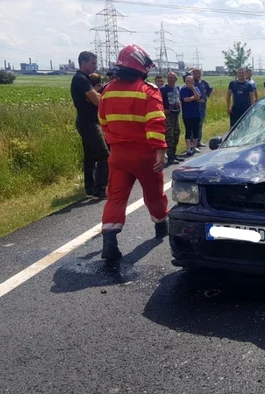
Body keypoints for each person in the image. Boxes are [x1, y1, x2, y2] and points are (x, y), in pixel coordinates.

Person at [97, 44, 168, 261]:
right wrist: (160, 152)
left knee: (116, 198)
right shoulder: (148, 91)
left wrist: (115, 142)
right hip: (144, 154)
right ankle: (160, 225)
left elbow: (103, 122)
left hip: (118, 154)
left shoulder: (108, 90)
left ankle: (109, 241)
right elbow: (155, 123)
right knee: (154, 193)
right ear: (140, 67)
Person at [71, 51, 109, 199]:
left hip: (87, 121)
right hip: (88, 123)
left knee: (90, 156)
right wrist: (101, 97)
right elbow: (98, 100)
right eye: (93, 63)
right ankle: (100, 189)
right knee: (104, 155)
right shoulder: (81, 79)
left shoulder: (85, 78)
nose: (95, 66)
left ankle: (89, 187)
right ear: (83, 63)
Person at [160, 71, 183, 165]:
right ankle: (170, 157)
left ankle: (174, 153)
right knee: (169, 135)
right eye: (169, 77)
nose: (170, 79)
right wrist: (163, 109)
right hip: (168, 115)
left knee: (176, 133)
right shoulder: (163, 89)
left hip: (176, 114)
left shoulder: (177, 88)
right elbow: (158, 101)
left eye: (172, 78)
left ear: (176, 79)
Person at [180, 75, 203, 156]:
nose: (189, 83)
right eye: (187, 81)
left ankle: (194, 147)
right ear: (185, 82)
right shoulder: (183, 89)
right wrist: (194, 98)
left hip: (196, 113)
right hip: (187, 114)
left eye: (190, 81)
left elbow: (198, 97)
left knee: (196, 131)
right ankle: (188, 148)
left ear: (193, 81)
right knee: (188, 131)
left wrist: (193, 89)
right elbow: (185, 100)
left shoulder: (196, 88)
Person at [191, 68, 213, 149]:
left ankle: (198, 141)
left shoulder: (204, 82)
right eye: (195, 73)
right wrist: (190, 71)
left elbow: (210, 89)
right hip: (194, 107)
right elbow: (185, 76)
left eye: (199, 73)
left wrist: (206, 95)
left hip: (202, 107)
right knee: (194, 125)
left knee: (200, 125)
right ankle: (192, 143)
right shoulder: (191, 82)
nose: (197, 75)